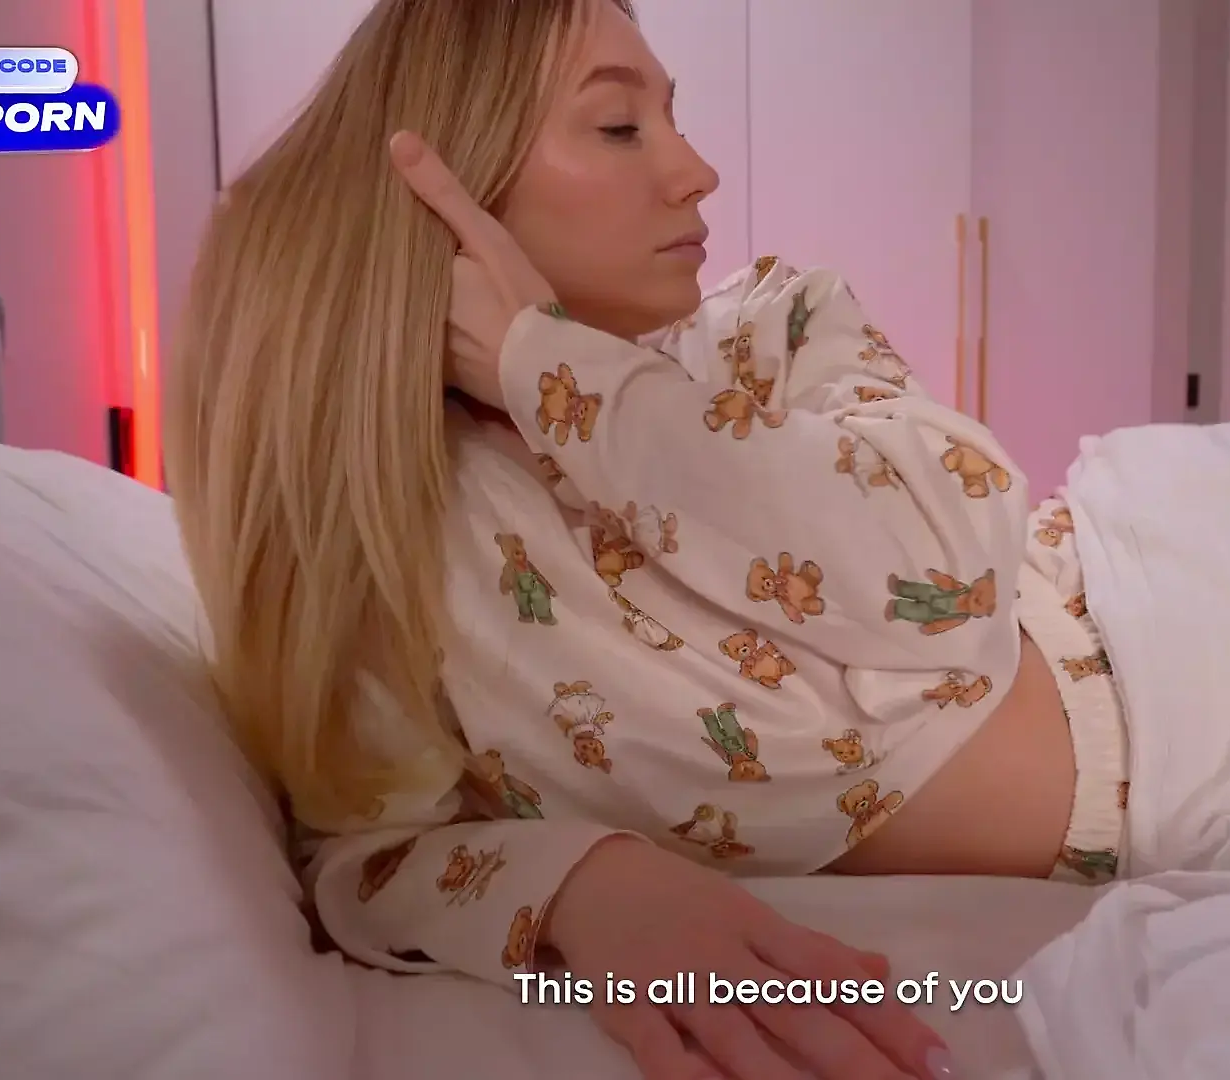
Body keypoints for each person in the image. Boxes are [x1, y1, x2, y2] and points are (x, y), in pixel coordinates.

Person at [166, 1, 1122, 1077]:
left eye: (674, 119)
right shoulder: (409, 542)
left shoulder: (776, 329)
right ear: (458, 178)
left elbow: (950, 573)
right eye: (621, 127)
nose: (697, 173)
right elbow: (365, 855)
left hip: (1160, 622)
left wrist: (556, 374)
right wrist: (581, 885)